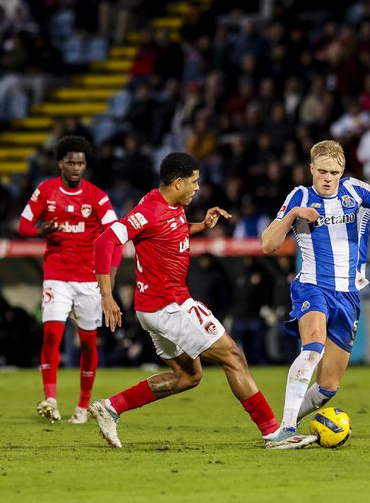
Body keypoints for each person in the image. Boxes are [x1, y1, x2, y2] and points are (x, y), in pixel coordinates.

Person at [90, 152, 292, 448]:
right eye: (194, 182)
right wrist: (107, 296)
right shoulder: (150, 210)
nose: (198, 187)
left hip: (152, 308)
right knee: (233, 357)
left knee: (188, 376)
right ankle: (274, 434)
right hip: (170, 305)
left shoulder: (167, 205)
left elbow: (168, 231)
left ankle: (111, 407)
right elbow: (104, 241)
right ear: (178, 183)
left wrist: (201, 226)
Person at [261, 140, 370, 448]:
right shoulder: (300, 196)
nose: (327, 178)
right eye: (322, 172)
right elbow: (268, 245)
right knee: (312, 349)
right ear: (311, 169)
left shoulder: (355, 190)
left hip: (348, 294)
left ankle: (284, 425)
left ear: (342, 172)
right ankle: (286, 431)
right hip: (312, 286)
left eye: (333, 172)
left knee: (328, 387)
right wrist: (293, 215)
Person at [18, 135, 123, 424]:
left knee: (88, 343)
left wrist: (111, 274)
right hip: (57, 276)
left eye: (80, 163)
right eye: (71, 162)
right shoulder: (45, 191)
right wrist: (41, 231)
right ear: (60, 164)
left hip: (89, 280)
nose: (76, 167)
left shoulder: (97, 197)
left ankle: (82, 406)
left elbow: (117, 236)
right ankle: (50, 400)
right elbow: (23, 225)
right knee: (52, 335)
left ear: (85, 165)